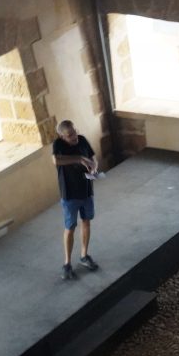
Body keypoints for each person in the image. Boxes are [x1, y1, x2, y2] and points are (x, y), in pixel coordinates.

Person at [52, 120, 99, 280]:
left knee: (86, 221)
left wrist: (94, 165)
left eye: (74, 131)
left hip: (86, 190)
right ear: (61, 136)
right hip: (70, 194)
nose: (74, 137)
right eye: (70, 135)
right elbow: (56, 161)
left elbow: (93, 156)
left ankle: (84, 255)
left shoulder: (82, 139)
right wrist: (79, 158)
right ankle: (67, 263)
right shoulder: (58, 145)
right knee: (70, 227)